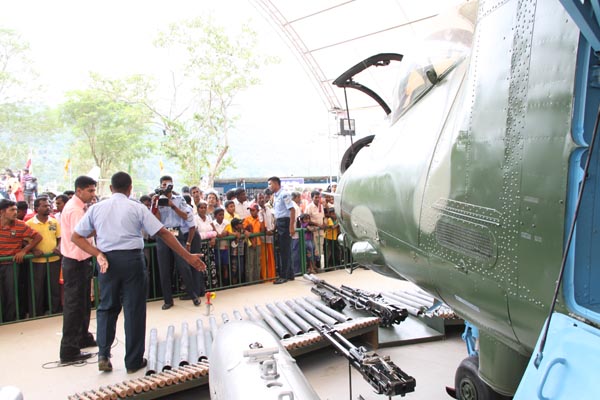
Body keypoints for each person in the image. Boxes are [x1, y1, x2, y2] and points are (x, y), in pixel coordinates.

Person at [71, 171, 206, 373]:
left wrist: (97, 253)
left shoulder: (96, 209)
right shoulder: (136, 208)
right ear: (130, 188)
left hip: (107, 261)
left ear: (110, 188)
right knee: (134, 309)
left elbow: (76, 237)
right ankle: (133, 361)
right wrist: (187, 256)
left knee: (107, 307)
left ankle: (104, 354)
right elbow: (162, 232)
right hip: (132, 260)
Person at [59, 175, 98, 364]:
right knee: (74, 306)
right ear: (79, 190)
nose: (93, 194)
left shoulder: (79, 208)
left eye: (94, 190)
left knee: (83, 303)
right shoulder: (75, 210)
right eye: (90, 190)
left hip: (80, 262)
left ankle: (82, 337)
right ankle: (69, 349)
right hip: (75, 262)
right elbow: (79, 237)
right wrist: (98, 252)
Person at [152, 175, 202, 310]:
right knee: (164, 269)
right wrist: (155, 205)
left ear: (172, 185)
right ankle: (168, 300)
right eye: (163, 184)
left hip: (176, 233)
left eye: (167, 184)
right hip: (163, 234)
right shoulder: (156, 200)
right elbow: (155, 219)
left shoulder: (179, 199)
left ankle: (193, 295)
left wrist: (172, 206)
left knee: (183, 266)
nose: (165, 186)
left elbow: (186, 216)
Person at [0, 199, 42, 322]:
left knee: (11, 294)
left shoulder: (20, 224)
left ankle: (10, 320)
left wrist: (24, 251)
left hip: (11, 265)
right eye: (12, 210)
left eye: (16, 209)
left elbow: (37, 237)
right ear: (2, 212)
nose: (15, 212)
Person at [26, 197, 62, 316]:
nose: (48, 207)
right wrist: (33, 249)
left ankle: (55, 311)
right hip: (37, 261)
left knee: (54, 288)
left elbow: (60, 237)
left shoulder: (54, 221)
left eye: (48, 205)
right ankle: (36, 314)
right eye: (45, 206)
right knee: (37, 289)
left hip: (53, 259)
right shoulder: (29, 223)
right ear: (37, 208)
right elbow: (24, 241)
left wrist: (58, 247)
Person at [267, 177, 295, 284]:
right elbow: (277, 212)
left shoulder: (284, 194)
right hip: (279, 222)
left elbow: (291, 210)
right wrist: (275, 226)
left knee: (284, 250)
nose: (269, 186)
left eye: (270, 184)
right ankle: (290, 274)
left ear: (276, 184)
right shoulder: (275, 196)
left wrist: (291, 227)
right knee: (284, 250)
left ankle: (284, 276)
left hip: (285, 222)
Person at [243, 203, 264, 283]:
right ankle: (250, 282)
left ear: (257, 211)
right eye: (251, 210)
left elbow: (262, 230)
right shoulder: (247, 219)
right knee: (250, 264)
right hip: (250, 244)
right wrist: (245, 231)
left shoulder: (260, 219)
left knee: (257, 263)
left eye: (253, 210)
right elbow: (243, 229)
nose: (252, 212)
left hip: (258, 243)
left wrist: (262, 219)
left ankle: (257, 280)